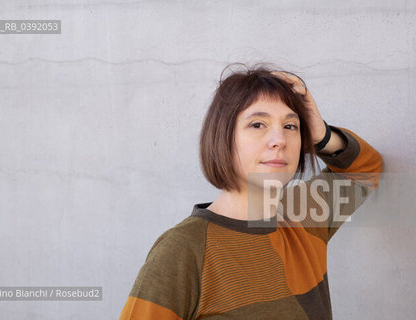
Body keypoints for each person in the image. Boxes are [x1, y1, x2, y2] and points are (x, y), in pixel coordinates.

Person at [119, 63, 383, 319]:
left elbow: (366, 169)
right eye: (257, 124)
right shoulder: (183, 251)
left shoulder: (305, 213)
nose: (279, 140)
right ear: (223, 138)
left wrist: (321, 135)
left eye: (290, 126)